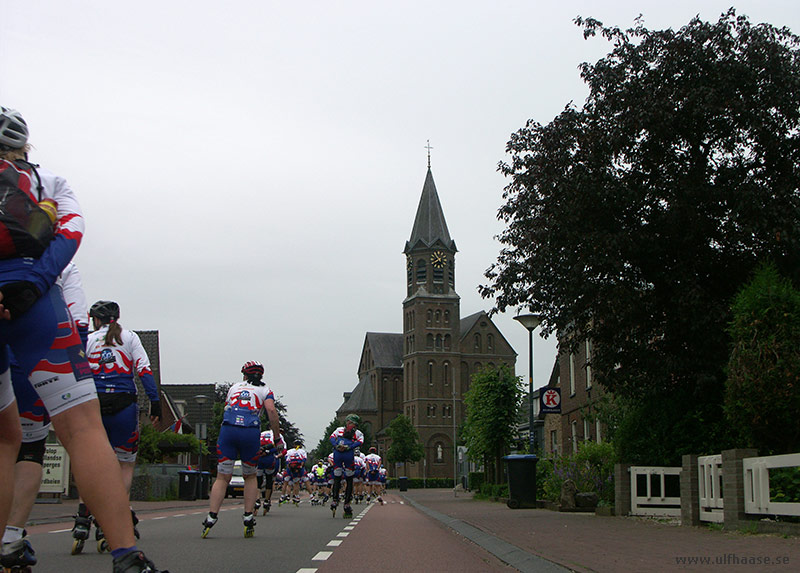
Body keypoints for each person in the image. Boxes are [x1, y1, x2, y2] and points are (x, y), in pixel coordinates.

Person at [0, 107, 166, 572]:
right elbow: (72, 230)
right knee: (81, 432)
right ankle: (125, 552)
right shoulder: (46, 180)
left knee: (4, 440)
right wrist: (32, 284)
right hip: (36, 306)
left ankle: (10, 539)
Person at [2, 264, 89, 568]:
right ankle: (10, 537)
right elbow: (78, 321)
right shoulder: (55, 256)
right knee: (29, 448)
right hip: (31, 358)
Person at [81, 300, 162, 550]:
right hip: (124, 405)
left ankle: (82, 517)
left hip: (94, 404)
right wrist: (155, 402)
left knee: (89, 462)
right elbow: (144, 371)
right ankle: (112, 518)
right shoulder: (130, 338)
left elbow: (76, 369)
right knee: (124, 464)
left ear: (96, 319)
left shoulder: (89, 339)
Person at [202, 361, 281, 538]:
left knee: (222, 477)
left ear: (244, 374)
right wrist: (276, 437)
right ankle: (247, 516)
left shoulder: (234, 387)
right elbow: (271, 411)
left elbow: (226, 407)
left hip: (228, 430)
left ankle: (211, 516)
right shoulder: (265, 390)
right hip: (250, 432)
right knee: (250, 476)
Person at [328, 414, 364, 518]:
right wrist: (347, 447)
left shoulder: (353, 432)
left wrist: (338, 446)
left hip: (340, 453)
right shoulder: (357, 433)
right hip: (344, 453)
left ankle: (342, 500)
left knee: (345, 478)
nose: (349, 424)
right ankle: (338, 500)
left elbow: (332, 438)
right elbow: (359, 442)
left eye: (351, 422)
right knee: (340, 478)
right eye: (349, 422)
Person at [254, 429, 282, 515]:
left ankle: (257, 500)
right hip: (269, 459)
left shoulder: (261, 433)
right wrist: (268, 452)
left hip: (259, 457)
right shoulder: (278, 435)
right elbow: (281, 448)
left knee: (258, 481)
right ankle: (266, 501)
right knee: (270, 480)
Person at [284, 441, 312, 505]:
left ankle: (286, 495)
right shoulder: (302, 451)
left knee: (288, 483)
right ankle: (308, 496)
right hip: (299, 468)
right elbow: (304, 460)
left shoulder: (289, 451)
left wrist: (289, 468)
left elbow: (287, 460)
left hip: (290, 468)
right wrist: (301, 467)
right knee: (304, 481)